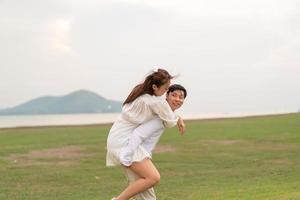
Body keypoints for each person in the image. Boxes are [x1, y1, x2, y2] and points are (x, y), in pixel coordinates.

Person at [106, 69, 185, 200]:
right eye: (166, 89)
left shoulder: (142, 94)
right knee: (153, 177)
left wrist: (177, 117)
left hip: (119, 138)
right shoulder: (155, 101)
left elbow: (168, 117)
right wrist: (178, 119)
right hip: (125, 142)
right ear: (154, 87)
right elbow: (170, 121)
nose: (166, 92)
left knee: (146, 194)